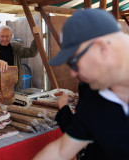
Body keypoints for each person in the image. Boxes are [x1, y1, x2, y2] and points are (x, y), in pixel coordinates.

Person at [33, 8, 129, 160]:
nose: (73, 73)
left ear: (102, 49)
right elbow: (61, 150)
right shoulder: (94, 95)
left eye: (74, 62)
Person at [0, 25, 39, 102]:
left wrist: (36, 37)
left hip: (13, 88)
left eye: (7, 36)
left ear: (11, 36)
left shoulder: (16, 47)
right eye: (2, 36)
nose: (4, 39)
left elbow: (31, 53)